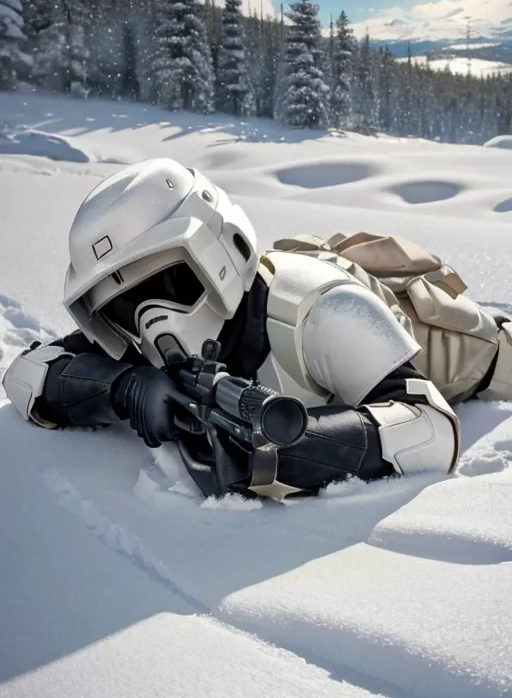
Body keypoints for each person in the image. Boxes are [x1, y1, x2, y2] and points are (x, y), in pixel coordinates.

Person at [3, 158, 511, 500]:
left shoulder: (319, 310)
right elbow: (25, 375)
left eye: (167, 283)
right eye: (123, 306)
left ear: (218, 253)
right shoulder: (136, 343)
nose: (149, 319)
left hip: (426, 338)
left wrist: (286, 454)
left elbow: (432, 430)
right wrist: (121, 387)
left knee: (491, 348)